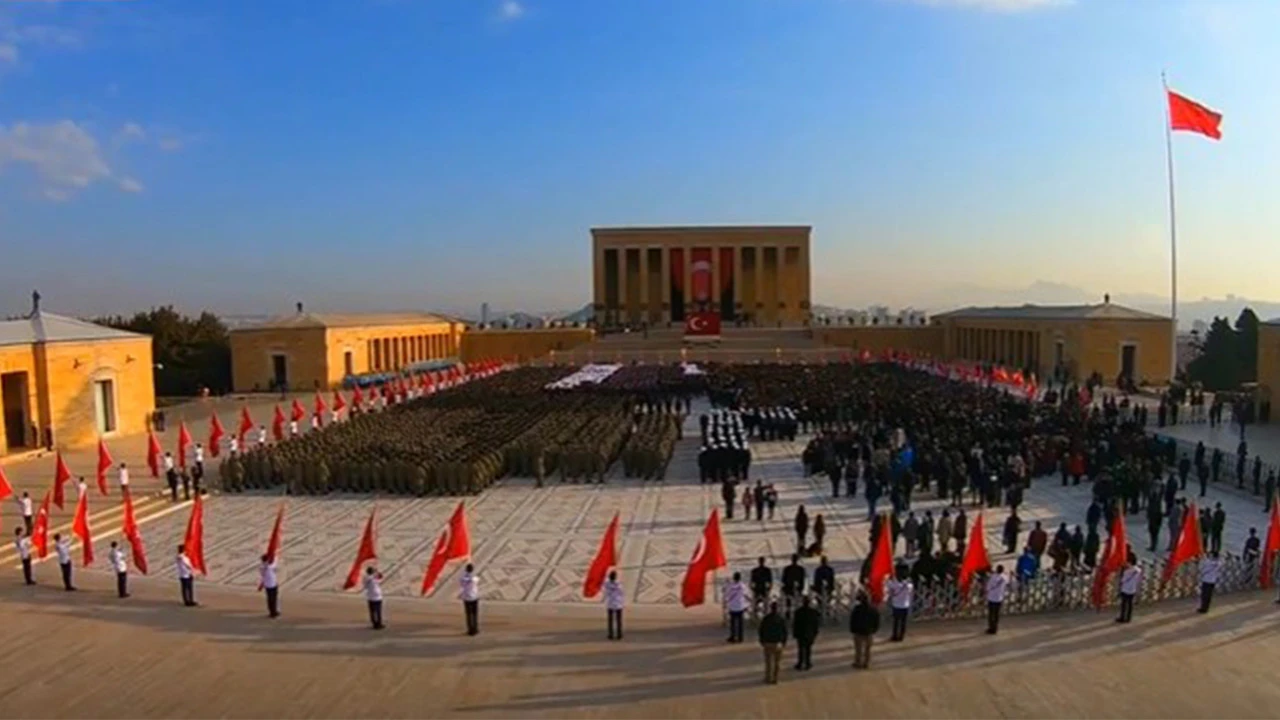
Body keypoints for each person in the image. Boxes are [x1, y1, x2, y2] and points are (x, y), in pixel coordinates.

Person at [757, 602, 788, 685]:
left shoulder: (766, 619)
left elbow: (761, 630)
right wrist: (784, 641)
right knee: (777, 662)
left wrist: (762, 640)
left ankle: (768, 678)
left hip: (768, 642)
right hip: (778, 643)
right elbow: (784, 631)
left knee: (768, 662)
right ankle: (776, 678)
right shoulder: (781, 619)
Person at [849, 591, 880, 669]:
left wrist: (852, 629)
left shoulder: (857, 609)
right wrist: (874, 630)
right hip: (869, 632)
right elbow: (877, 620)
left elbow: (853, 620)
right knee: (868, 649)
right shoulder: (873, 609)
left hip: (858, 631)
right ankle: (867, 663)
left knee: (858, 649)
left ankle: (858, 662)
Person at [791, 595, 821, 671]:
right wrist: (815, 632)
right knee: (808, 649)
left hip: (801, 633)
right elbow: (816, 623)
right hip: (809, 633)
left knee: (801, 649)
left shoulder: (798, 612)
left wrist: (795, 633)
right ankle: (808, 663)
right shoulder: (813, 612)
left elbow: (795, 623)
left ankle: (800, 663)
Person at [886, 567, 913, 642]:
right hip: (905, 605)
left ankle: (895, 635)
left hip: (896, 605)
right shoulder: (908, 585)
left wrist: (891, 578)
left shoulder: (894, 584)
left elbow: (888, 586)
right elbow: (910, 590)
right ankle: (901, 635)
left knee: (896, 622)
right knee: (903, 622)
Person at [724, 571, 749, 643]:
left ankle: (733, 636)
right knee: (740, 623)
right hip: (740, 606)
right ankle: (740, 638)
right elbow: (746, 595)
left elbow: (726, 594)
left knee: (733, 623)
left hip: (732, 606)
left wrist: (727, 582)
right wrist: (747, 604)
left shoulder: (730, 585)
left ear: (734, 578)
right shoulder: (742, 585)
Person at [985, 564, 1010, 635]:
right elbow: (1007, 584)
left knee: (991, 614)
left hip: (991, 597)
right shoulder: (1005, 577)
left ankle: (991, 627)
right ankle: (995, 627)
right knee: (996, 614)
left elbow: (988, 586)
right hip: (999, 598)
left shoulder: (993, 577)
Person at [1116, 558, 1142, 623]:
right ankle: (1128, 618)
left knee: (1124, 604)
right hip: (1133, 589)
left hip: (1125, 589)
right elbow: (1139, 580)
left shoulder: (1127, 572)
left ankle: (1122, 617)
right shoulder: (1138, 570)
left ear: (1130, 563)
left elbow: (1123, 580)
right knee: (1130, 604)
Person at [459, 563, 480, 636]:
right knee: (474, 614)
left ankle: (470, 629)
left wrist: (466, 573)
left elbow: (461, 582)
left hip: (466, 598)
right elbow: (476, 579)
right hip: (474, 597)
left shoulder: (463, 578)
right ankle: (475, 628)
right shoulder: (474, 578)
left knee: (468, 614)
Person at [604, 570, 624, 640]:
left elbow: (605, 587)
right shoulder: (618, 584)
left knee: (610, 620)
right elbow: (621, 592)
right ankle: (619, 634)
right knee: (618, 620)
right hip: (618, 604)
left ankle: (611, 634)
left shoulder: (607, 584)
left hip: (610, 603)